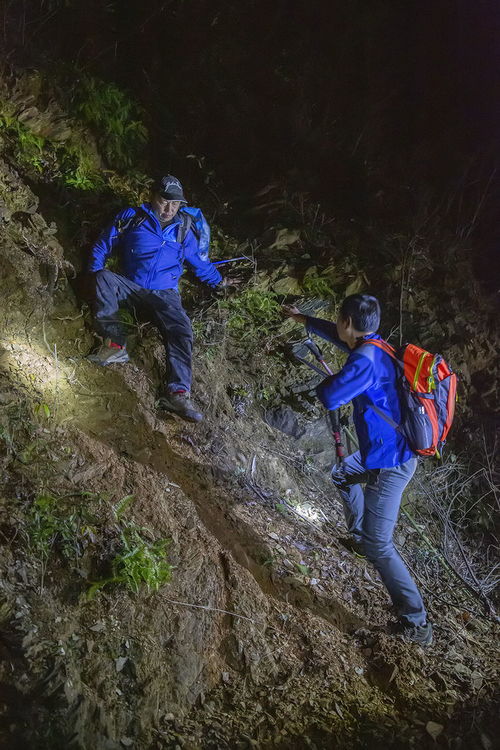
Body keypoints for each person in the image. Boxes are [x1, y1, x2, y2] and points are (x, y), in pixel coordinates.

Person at [283, 295, 433, 646]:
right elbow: (341, 340)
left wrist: (334, 383)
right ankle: (357, 536)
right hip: (379, 453)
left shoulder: (364, 360)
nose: (337, 326)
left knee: (380, 545)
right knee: (341, 474)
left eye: (338, 320)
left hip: (391, 464)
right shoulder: (378, 346)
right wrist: (304, 320)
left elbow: (331, 396)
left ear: (347, 321)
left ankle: (417, 624)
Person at [87, 174, 228, 423]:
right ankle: (115, 346)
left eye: (175, 204)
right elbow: (102, 245)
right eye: (164, 201)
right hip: (130, 285)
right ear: (152, 196)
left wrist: (220, 282)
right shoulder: (132, 217)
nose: (168, 209)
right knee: (103, 278)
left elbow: (200, 264)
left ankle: (177, 393)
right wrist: (92, 273)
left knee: (181, 328)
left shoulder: (184, 229)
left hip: (165, 294)